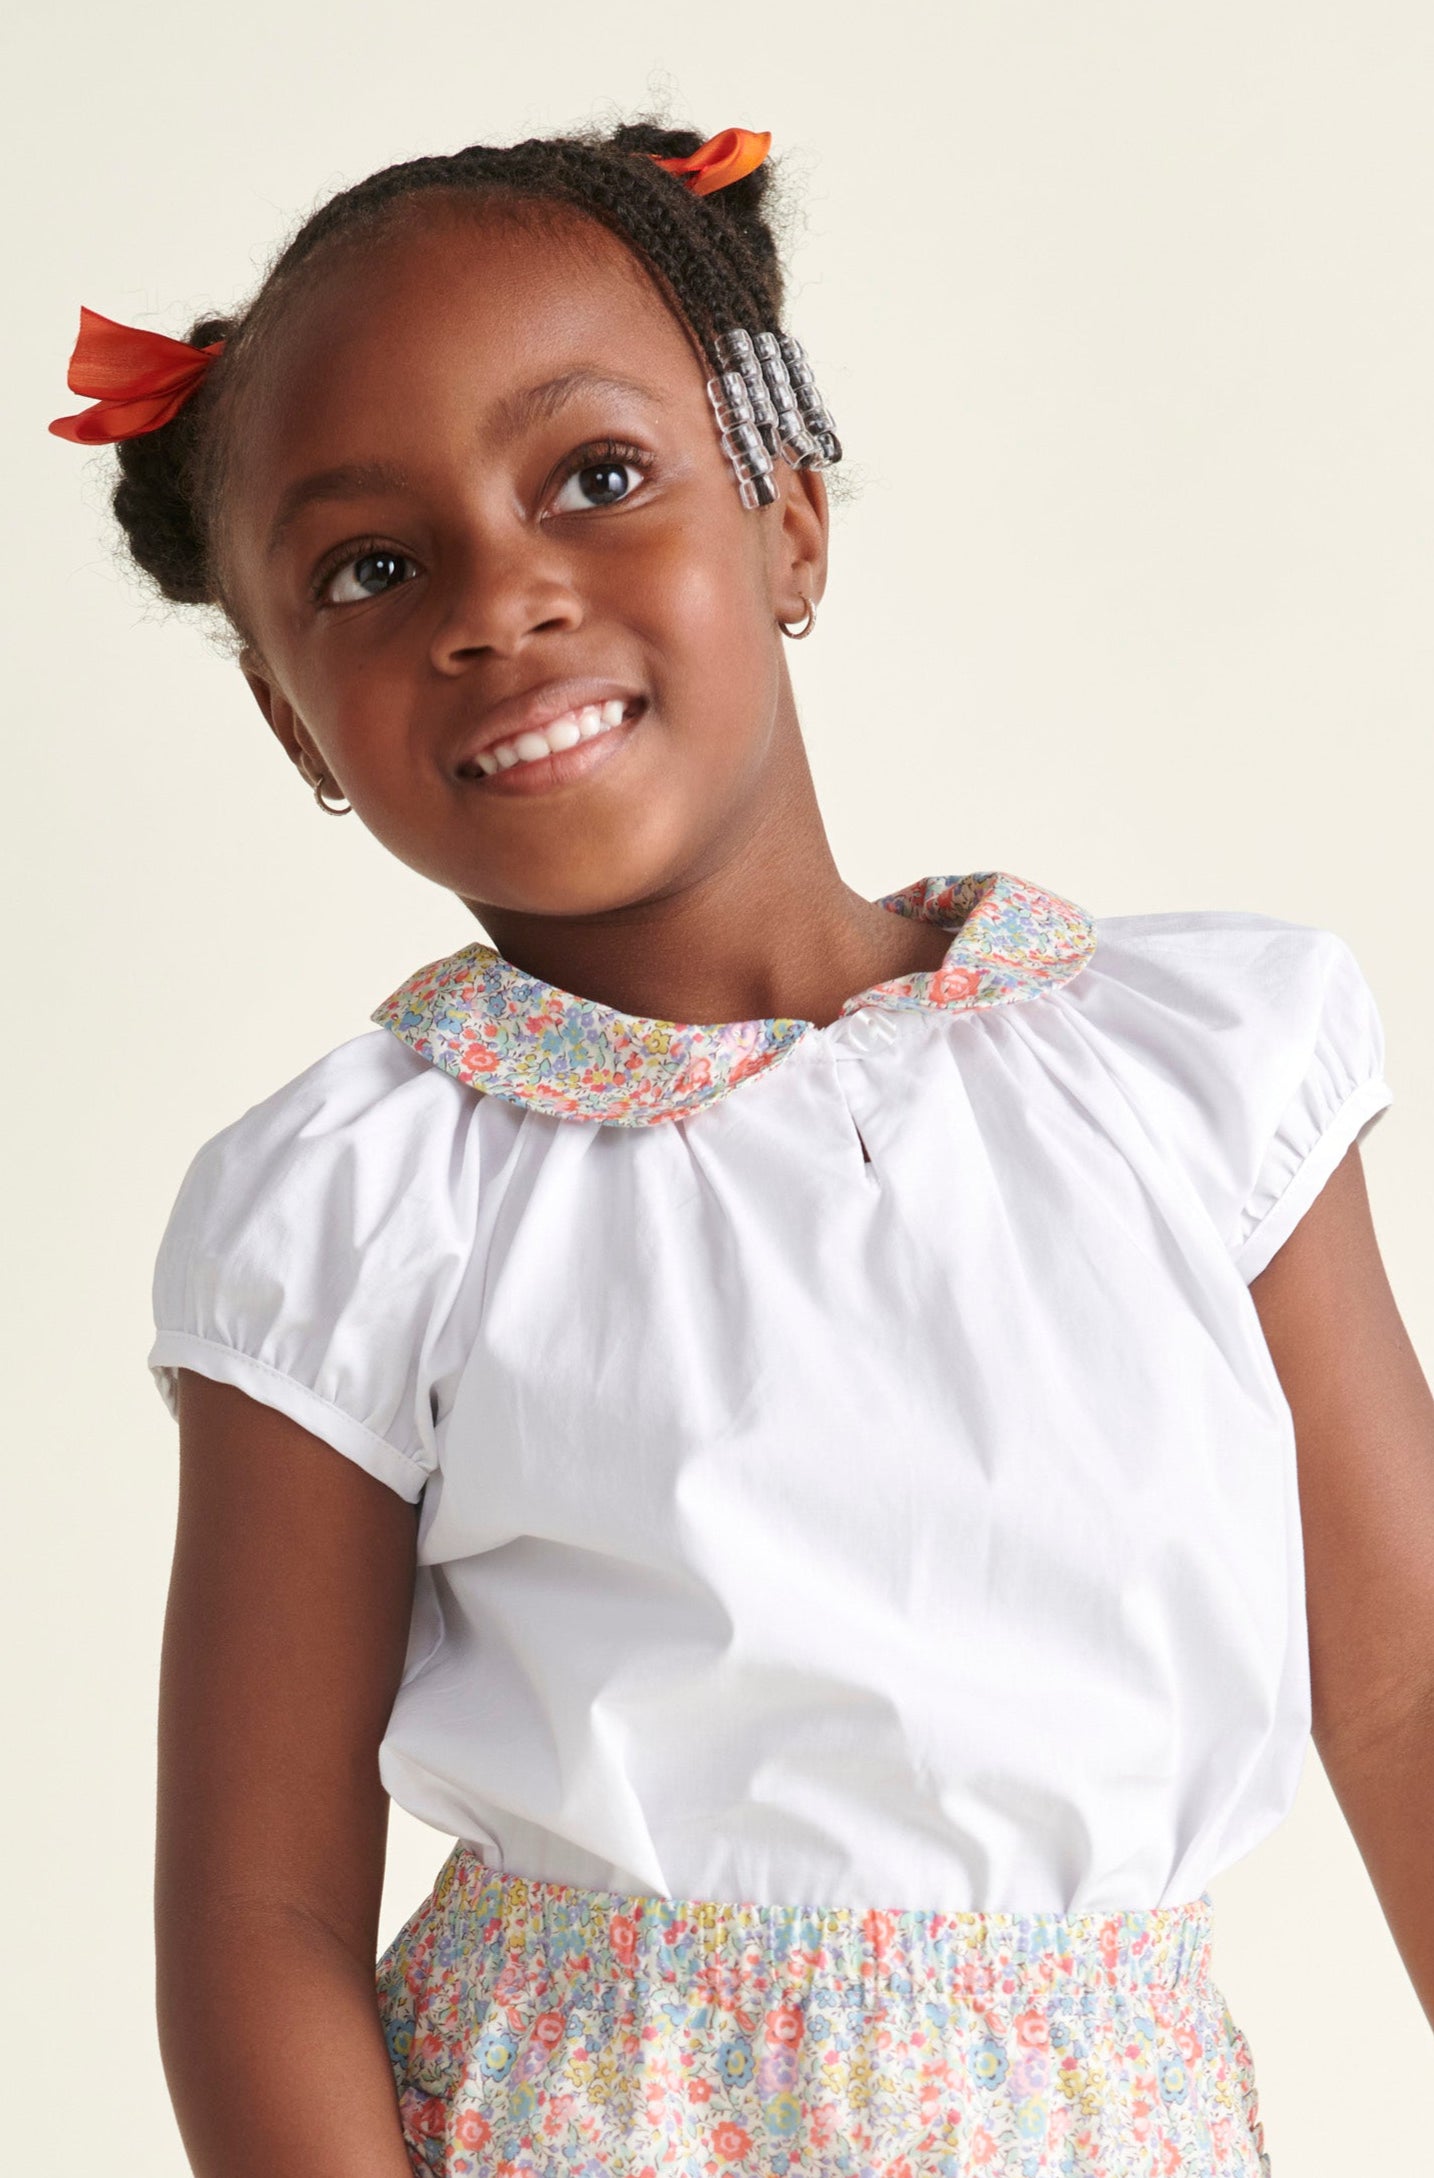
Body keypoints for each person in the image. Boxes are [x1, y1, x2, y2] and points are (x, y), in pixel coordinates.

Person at [51, 118, 1434, 2178]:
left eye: (595, 479)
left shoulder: (1193, 1074)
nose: (499, 600)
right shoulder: (362, 1205)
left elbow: (1402, 1694)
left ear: (788, 518)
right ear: (287, 718)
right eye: (370, 568)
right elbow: (259, 1916)